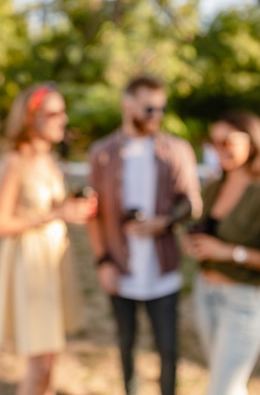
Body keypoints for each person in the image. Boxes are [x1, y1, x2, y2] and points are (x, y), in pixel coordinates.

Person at [86, 75, 203, 395]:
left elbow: (193, 203)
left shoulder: (176, 150)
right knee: (126, 346)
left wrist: (163, 223)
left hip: (163, 272)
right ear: (127, 105)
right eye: (149, 108)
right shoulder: (102, 153)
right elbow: (92, 216)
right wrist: (103, 262)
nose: (157, 116)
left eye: (161, 109)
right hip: (120, 271)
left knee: (168, 349)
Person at [0, 83, 97, 395]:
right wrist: (53, 215)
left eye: (63, 112)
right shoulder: (14, 161)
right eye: (53, 113)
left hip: (54, 262)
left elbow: (51, 207)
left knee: (52, 359)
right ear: (31, 118)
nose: (63, 119)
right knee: (39, 367)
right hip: (30, 267)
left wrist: (69, 208)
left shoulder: (50, 159)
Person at [182, 110, 260, 395]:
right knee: (229, 385)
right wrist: (195, 243)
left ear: (253, 142)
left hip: (243, 303)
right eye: (214, 141)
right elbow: (207, 231)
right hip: (205, 293)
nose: (219, 148)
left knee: (222, 389)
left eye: (228, 141)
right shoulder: (215, 185)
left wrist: (229, 253)